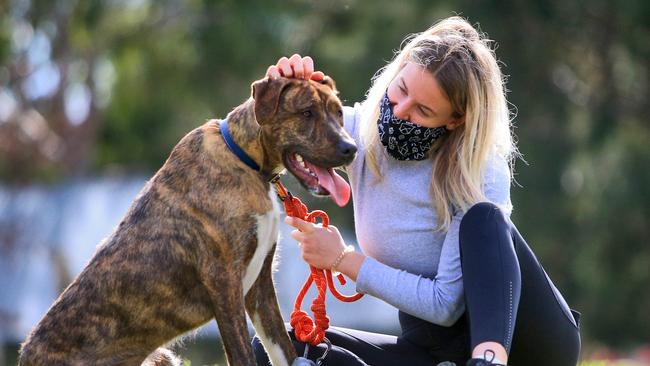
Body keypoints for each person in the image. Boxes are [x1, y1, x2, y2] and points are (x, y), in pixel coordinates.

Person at [252, 16, 581, 366]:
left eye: (423, 110)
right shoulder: (359, 133)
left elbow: (445, 305)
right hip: (431, 351)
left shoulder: (482, 168)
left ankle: (489, 360)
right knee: (276, 349)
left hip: (529, 348)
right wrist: (280, 94)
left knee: (483, 218)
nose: (400, 111)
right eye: (402, 90)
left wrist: (342, 260)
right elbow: (265, 132)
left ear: (455, 120)